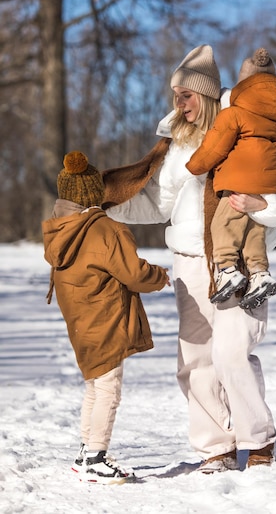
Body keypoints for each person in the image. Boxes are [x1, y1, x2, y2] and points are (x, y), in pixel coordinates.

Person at [103, 45, 276, 473]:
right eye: (175, 95)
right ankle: (216, 447)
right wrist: (107, 206)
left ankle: (258, 440)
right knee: (195, 360)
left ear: (208, 94)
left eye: (186, 94)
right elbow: (157, 204)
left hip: (243, 262)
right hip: (190, 260)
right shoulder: (178, 145)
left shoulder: (255, 127)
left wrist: (259, 207)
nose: (179, 103)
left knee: (232, 353)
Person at [42, 151, 170, 484]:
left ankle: (87, 450)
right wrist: (161, 275)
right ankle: (96, 457)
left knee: (95, 387)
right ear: (94, 194)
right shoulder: (104, 230)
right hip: (106, 318)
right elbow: (135, 274)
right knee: (109, 389)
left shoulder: (60, 229)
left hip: (81, 322)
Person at [186, 47, 276, 309]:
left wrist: (195, 166)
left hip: (238, 182)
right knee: (255, 229)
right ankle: (259, 274)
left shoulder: (234, 113)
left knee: (223, 225)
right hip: (270, 186)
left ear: (242, 84)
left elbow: (214, 147)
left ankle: (227, 270)